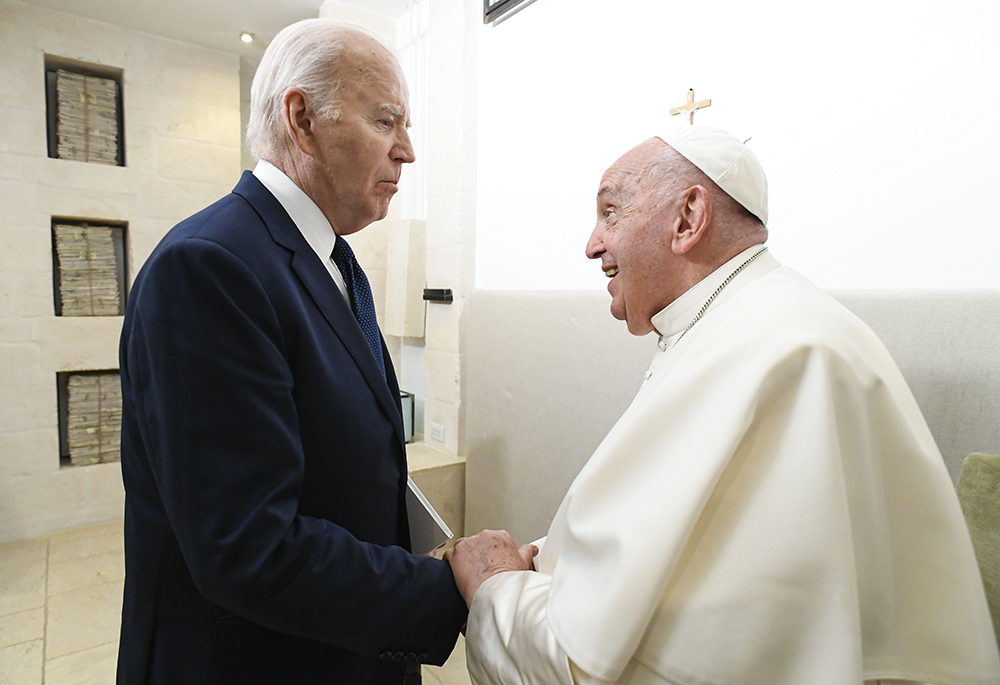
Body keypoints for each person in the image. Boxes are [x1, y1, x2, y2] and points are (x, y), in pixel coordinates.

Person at [445, 126, 1000, 684]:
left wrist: (498, 587)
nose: (592, 243)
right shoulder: (748, 319)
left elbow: (602, 661)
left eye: (610, 213)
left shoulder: (774, 350)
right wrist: (543, 558)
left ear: (688, 218)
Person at [117, 19, 466, 685]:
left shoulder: (337, 261)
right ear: (302, 119)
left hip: (340, 646)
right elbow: (248, 547)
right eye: (387, 121)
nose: (408, 151)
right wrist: (444, 589)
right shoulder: (210, 267)